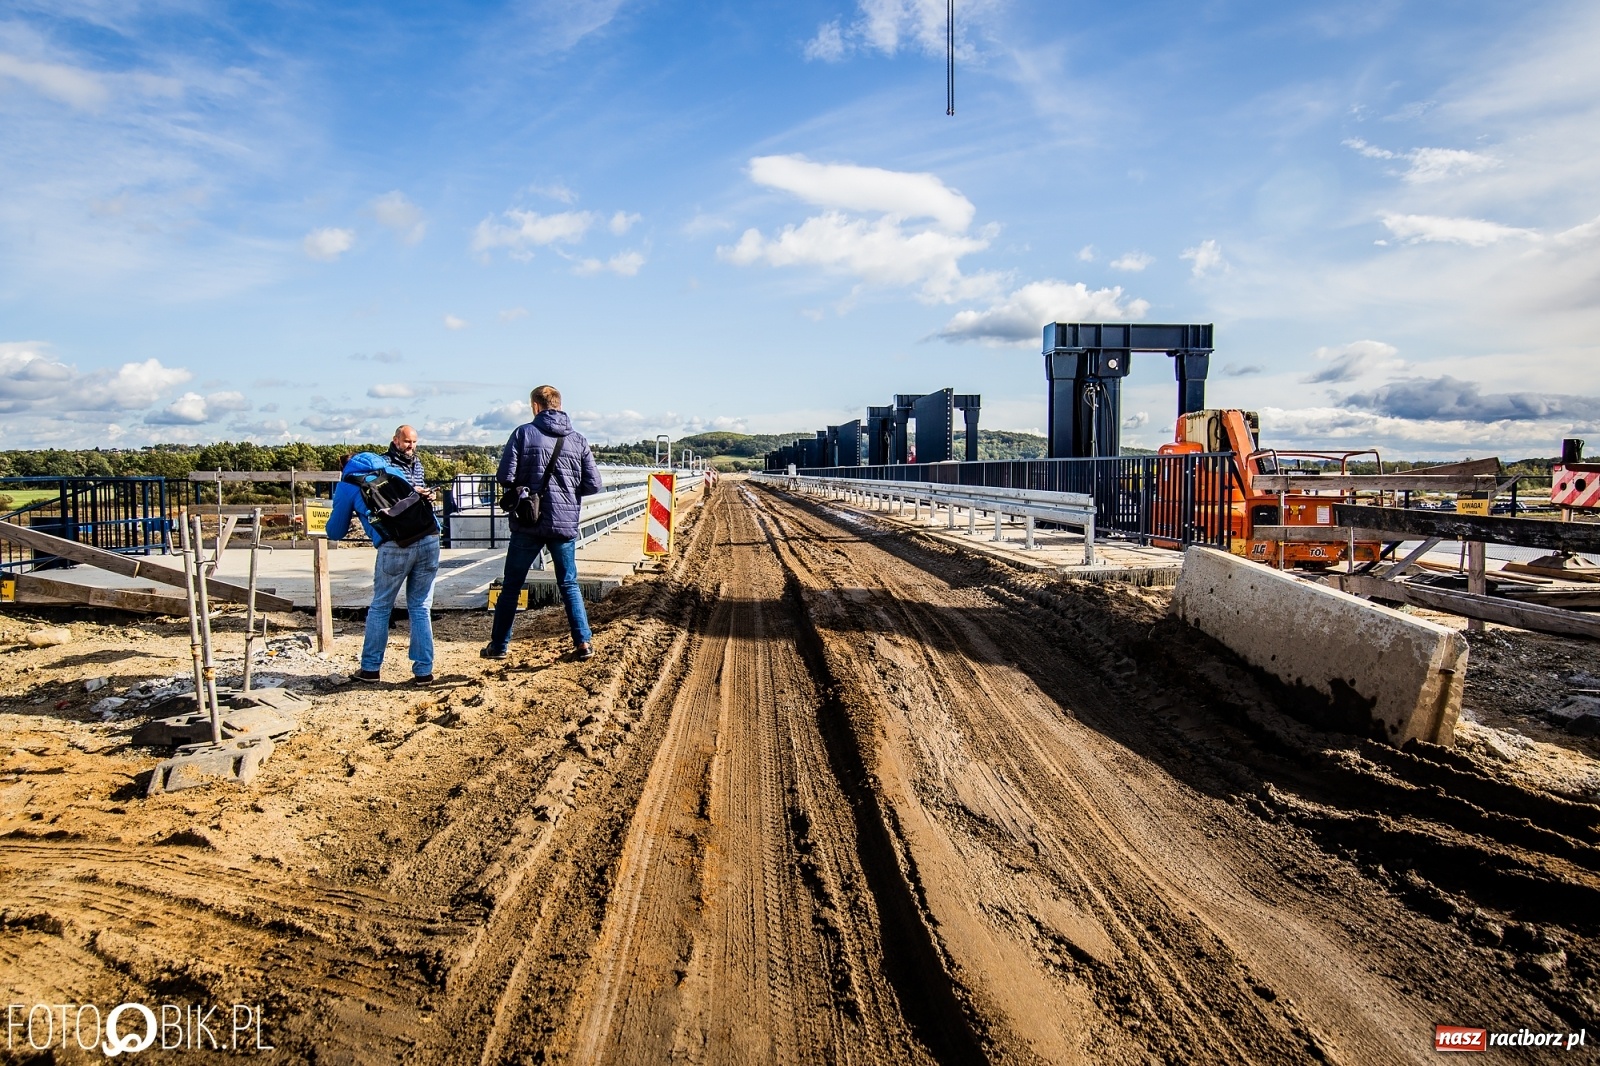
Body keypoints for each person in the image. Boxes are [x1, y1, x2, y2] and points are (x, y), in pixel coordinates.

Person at [482, 385, 602, 662]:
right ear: (559, 405)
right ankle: (583, 643)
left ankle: (499, 646)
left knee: (512, 584)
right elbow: (594, 484)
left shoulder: (523, 433)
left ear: (536, 406)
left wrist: (526, 488)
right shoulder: (579, 440)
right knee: (569, 583)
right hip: (564, 524)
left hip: (529, 521)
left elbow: (505, 476)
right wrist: (568, 494)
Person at [327, 424, 442, 685]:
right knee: (421, 606)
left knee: (381, 606)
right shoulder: (391, 469)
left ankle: (370, 669)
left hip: (395, 545)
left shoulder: (347, 484)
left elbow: (335, 531)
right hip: (429, 536)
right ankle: (423, 672)